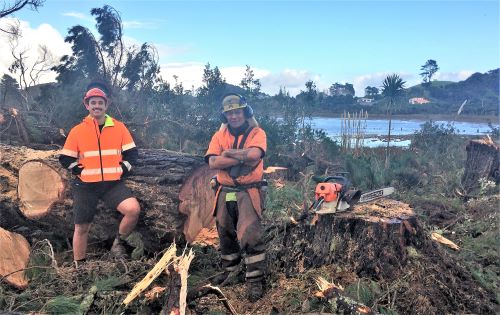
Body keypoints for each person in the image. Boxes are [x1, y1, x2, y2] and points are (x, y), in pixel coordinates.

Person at [58, 84, 140, 267]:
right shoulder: (78, 130)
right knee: (81, 227)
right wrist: (80, 171)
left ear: (106, 104)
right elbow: (64, 158)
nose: (96, 105)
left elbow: (132, 154)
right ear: (87, 105)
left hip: (112, 184)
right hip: (85, 185)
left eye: (100, 102)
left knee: (133, 210)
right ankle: (80, 266)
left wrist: (122, 169)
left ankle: (118, 243)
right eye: (93, 102)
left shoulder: (119, 128)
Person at [205, 93, 267, 302]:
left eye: (237, 111)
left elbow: (254, 156)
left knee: (250, 234)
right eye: (230, 113)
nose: (234, 116)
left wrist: (228, 154)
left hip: (249, 190)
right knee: (224, 232)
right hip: (224, 189)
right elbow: (212, 162)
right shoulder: (219, 136)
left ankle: (255, 280)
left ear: (244, 112)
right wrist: (237, 156)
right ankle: (230, 271)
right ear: (225, 115)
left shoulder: (257, 133)